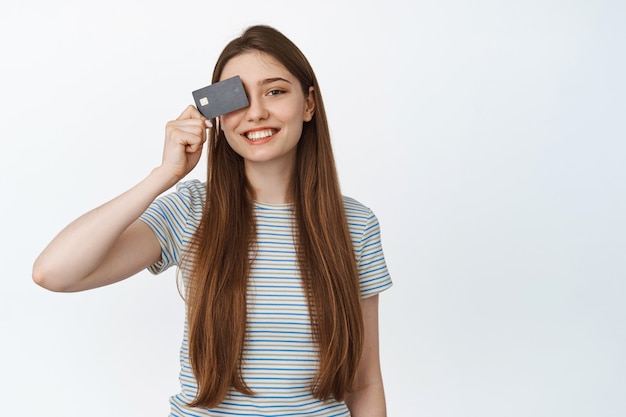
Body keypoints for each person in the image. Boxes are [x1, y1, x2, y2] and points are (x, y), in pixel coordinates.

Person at [33, 25, 392, 416]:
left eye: (275, 91)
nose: (256, 112)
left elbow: (363, 382)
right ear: (217, 115)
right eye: (238, 98)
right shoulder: (191, 211)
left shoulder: (356, 224)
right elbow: (53, 273)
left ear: (308, 104)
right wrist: (164, 175)